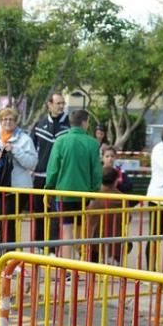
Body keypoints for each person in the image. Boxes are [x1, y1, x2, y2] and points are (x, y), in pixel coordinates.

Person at [44, 109, 102, 257]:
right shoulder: (92, 143)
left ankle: (67, 270)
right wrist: (94, 192)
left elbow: (53, 168)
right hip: (84, 194)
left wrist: (49, 188)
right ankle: (79, 265)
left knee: (67, 230)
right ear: (85, 122)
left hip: (63, 193)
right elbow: (96, 172)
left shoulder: (61, 141)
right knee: (81, 231)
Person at [0, 107, 37, 244]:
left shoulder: (24, 139)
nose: (7, 122)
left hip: (18, 189)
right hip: (0, 189)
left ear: (16, 122)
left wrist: (15, 150)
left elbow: (32, 163)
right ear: (0, 122)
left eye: (11, 119)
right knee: (2, 223)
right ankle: (5, 256)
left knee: (9, 224)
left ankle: (10, 258)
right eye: (4, 119)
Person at [32, 92, 71, 242]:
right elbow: (33, 148)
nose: (61, 106)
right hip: (40, 177)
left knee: (56, 214)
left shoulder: (69, 125)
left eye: (63, 103)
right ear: (50, 105)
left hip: (60, 178)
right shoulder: (39, 124)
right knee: (39, 213)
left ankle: (52, 249)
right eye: (58, 103)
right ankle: (40, 245)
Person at [85, 166, 129, 265]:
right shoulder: (122, 198)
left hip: (94, 241)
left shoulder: (94, 197)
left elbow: (88, 216)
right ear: (116, 181)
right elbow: (127, 218)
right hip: (115, 241)